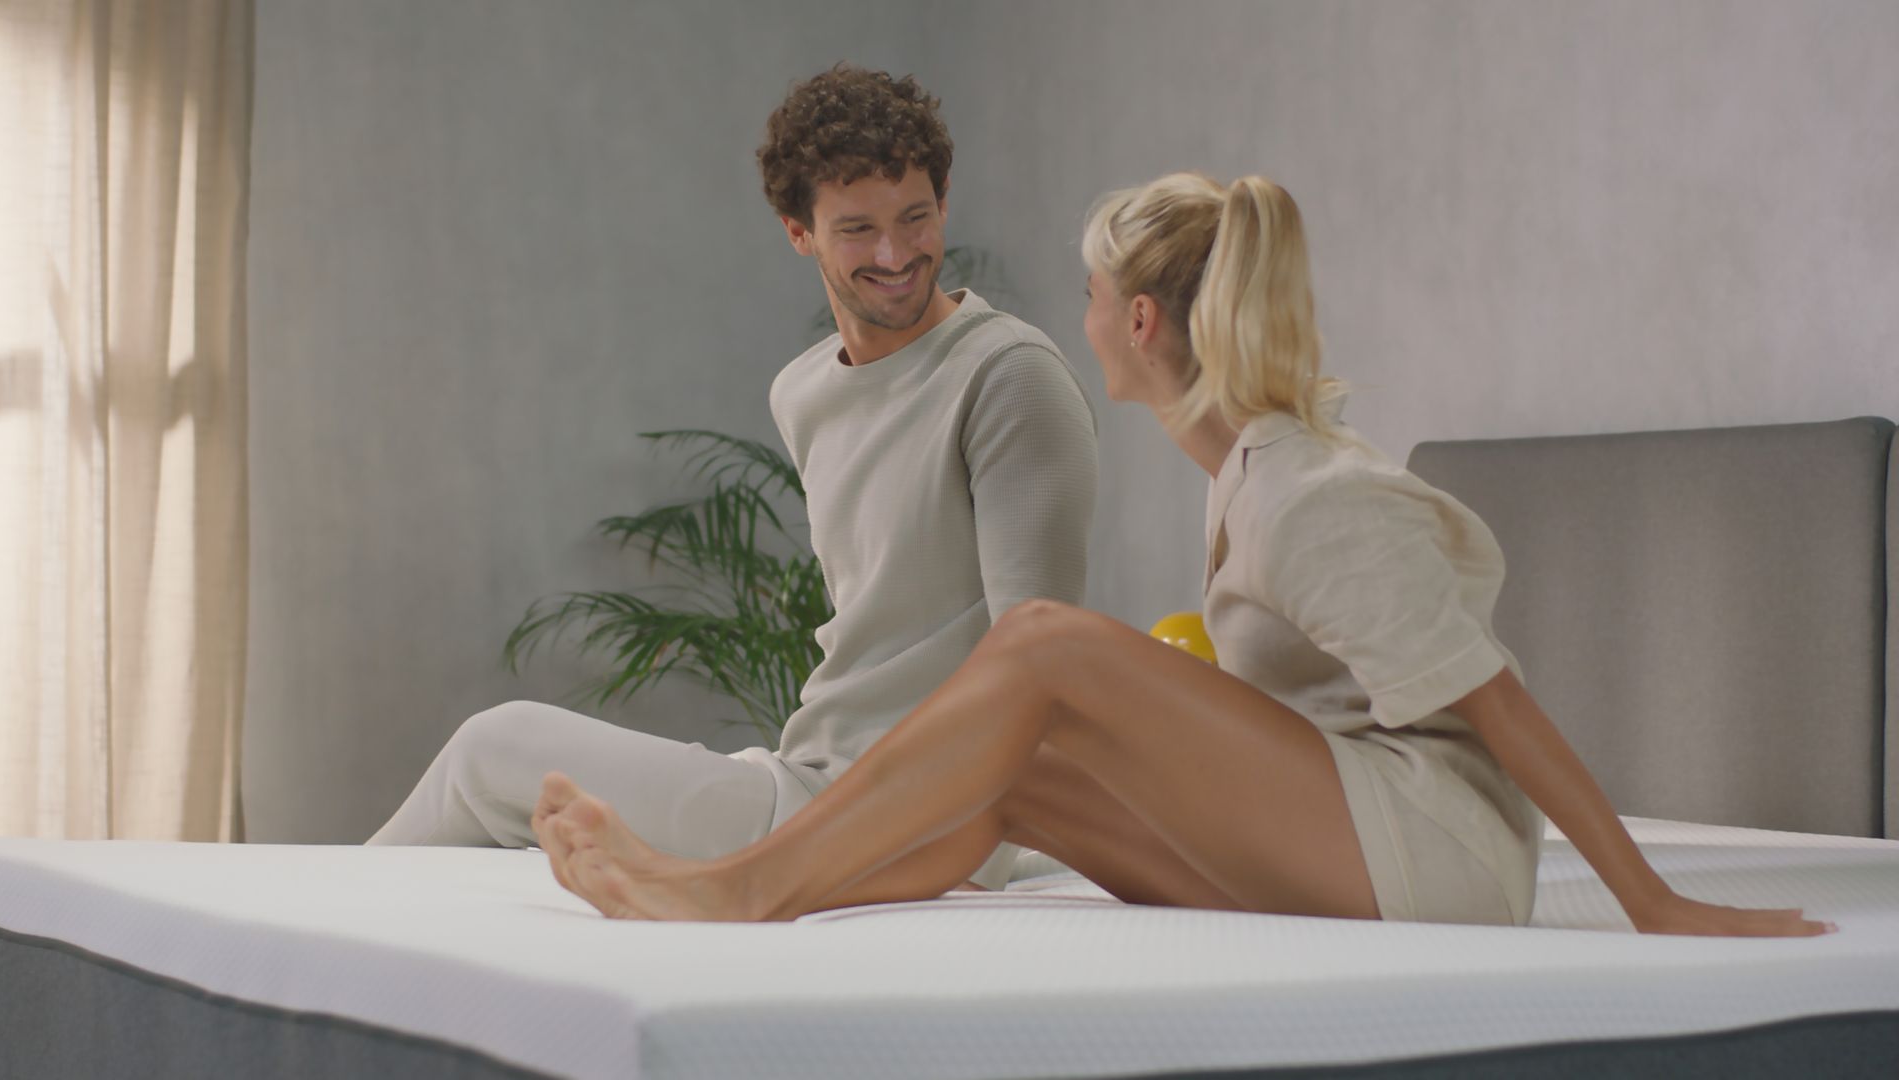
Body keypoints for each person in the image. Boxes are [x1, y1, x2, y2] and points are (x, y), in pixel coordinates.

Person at [529, 172, 1834, 938]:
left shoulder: (1312, 492)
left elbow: (1496, 704)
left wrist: (1655, 905)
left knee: (1039, 640)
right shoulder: (1247, 476)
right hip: (1365, 828)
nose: (1079, 321)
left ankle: (732, 891)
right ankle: (786, 904)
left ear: (1141, 320)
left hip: (1436, 853)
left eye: (1093, 300)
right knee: (1019, 781)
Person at [368, 64, 1099, 895]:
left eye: (916, 218)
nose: (896, 254)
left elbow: (1039, 673)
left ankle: (302, 926)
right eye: (857, 229)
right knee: (498, 808)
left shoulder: (1008, 376)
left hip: (897, 818)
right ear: (798, 232)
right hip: (813, 774)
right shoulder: (804, 390)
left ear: (944, 202)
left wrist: (901, 851)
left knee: (490, 750)